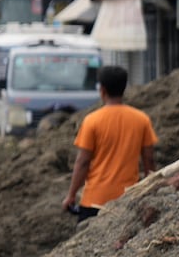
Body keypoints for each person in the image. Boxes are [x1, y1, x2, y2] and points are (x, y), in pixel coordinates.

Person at [61, 66, 156, 222]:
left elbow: (83, 162)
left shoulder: (92, 121)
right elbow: (149, 159)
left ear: (102, 90)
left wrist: (71, 195)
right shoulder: (141, 119)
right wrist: (150, 187)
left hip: (94, 201)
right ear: (124, 89)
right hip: (128, 199)